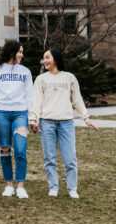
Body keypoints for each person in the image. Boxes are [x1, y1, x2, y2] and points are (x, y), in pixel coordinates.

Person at [30, 48, 97, 198]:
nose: (44, 61)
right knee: (49, 158)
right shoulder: (41, 79)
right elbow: (36, 101)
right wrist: (33, 120)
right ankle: (53, 187)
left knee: (70, 158)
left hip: (66, 123)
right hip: (46, 123)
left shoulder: (69, 78)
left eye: (47, 57)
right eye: (43, 58)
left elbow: (77, 99)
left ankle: (72, 189)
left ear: (56, 58)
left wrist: (86, 117)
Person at [0, 40, 34, 199]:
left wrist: (32, 118)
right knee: (5, 149)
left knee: (20, 149)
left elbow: (29, 97)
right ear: (12, 52)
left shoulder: (25, 72)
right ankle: (9, 185)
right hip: (1, 114)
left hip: (20, 114)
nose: (22, 55)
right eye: (20, 51)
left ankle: (20, 186)